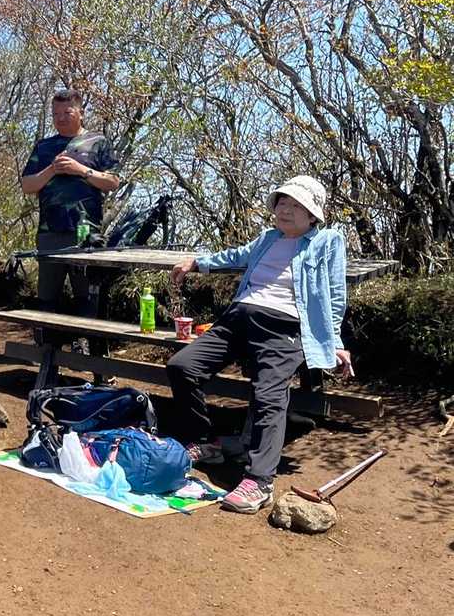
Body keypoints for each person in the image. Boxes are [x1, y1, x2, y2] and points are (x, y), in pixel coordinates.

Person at [166, 176, 353, 514]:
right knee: (182, 366)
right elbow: (234, 256)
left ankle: (260, 480)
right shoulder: (268, 238)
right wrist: (196, 263)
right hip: (237, 319)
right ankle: (206, 442)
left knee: (268, 394)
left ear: (313, 214)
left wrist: (335, 342)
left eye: (296, 205)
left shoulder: (327, 241)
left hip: (285, 327)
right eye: (282, 202)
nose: (286, 210)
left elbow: (336, 295)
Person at [19, 85, 122, 318]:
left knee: (86, 296)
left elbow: (113, 181)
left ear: (81, 113)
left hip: (86, 234)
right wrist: (52, 169)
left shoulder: (97, 141)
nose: (61, 118)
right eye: (56, 114)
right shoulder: (44, 147)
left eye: (67, 112)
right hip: (50, 233)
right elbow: (27, 185)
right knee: (47, 298)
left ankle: (85, 338)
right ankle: (46, 340)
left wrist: (80, 170)